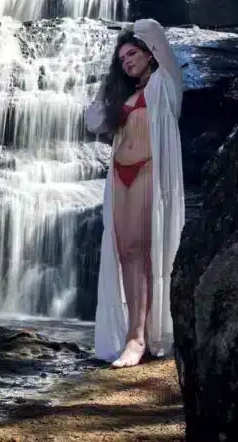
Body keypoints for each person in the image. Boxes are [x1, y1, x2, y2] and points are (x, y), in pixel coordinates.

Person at [84, 18, 185, 368]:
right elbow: (92, 121)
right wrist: (111, 82)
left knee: (142, 251)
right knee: (125, 251)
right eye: (121, 58)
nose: (126, 61)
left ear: (148, 53)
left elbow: (154, 28)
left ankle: (138, 338)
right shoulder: (123, 94)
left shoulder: (165, 84)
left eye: (131, 54)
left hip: (147, 169)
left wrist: (129, 32)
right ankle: (132, 332)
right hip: (119, 175)